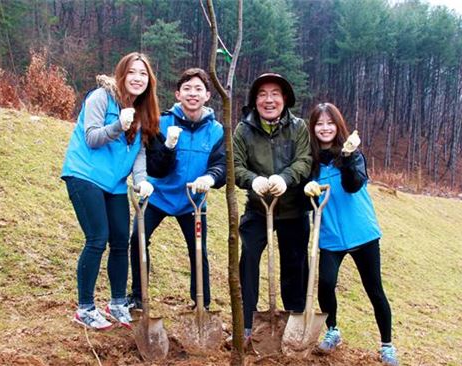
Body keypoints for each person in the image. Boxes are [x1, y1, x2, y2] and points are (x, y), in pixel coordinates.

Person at [62, 52, 160, 330]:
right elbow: (92, 138)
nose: (137, 78)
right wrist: (120, 125)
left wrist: (141, 181)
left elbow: (139, 154)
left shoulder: (144, 111)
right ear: (121, 74)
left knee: (120, 240)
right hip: (85, 175)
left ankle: (117, 304)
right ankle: (85, 308)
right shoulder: (100, 98)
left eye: (143, 73)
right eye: (132, 72)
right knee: (97, 238)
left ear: (149, 80)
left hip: (115, 184)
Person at [304, 102, 399, 366]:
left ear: (338, 126)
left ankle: (387, 345)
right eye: (319, 124)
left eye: (330, 123)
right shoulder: (310, 161)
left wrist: (346, 157)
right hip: (330, 236)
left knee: (374, 290)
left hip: (363, 234)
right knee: (325, 283)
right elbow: (304, 192)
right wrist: (308, 186)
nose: (325, 128)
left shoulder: (353, 155)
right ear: (313, 128)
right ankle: (333, 330)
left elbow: (354, 184)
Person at [128, 68, 226, 310]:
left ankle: (201, 302)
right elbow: (156, 168)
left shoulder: (217, 131)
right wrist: (169, 145)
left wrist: (210, 178)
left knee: (198, 250)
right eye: (187, 89)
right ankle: (139, 297)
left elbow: (221, 166)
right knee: (137, 239)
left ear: (207, 96)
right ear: (178, 94)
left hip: (192, 201)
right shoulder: (161, 123)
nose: (192, 94)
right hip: (157, 195)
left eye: (198, 89)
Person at [233, 73, 312, 340]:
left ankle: (294, 321)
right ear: (255, 101)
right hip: (258, 209)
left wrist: (286, 178)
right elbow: (236, 165)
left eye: (275, 93)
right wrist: (252, 180)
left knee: (295, 265)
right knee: (249, 261)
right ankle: (246, 323)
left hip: (293, 210)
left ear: (285, 99)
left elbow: (305, 160)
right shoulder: (243, 130)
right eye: (262, 94)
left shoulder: (298, 127)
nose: (269, 100)